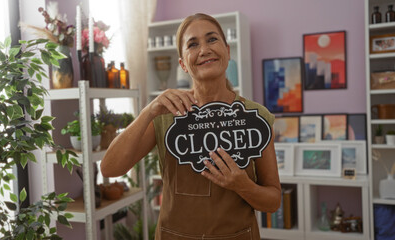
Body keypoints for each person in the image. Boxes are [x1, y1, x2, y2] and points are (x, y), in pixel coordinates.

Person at [101, 13, 281, 239]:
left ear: (227, 50)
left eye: (212, 39)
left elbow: (273, 201)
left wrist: (242, 185)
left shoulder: (256, 117)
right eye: (193, 44)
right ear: (182, 64)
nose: (204, 49)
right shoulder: (165, 115)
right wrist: (148, 111)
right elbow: (110, 169)